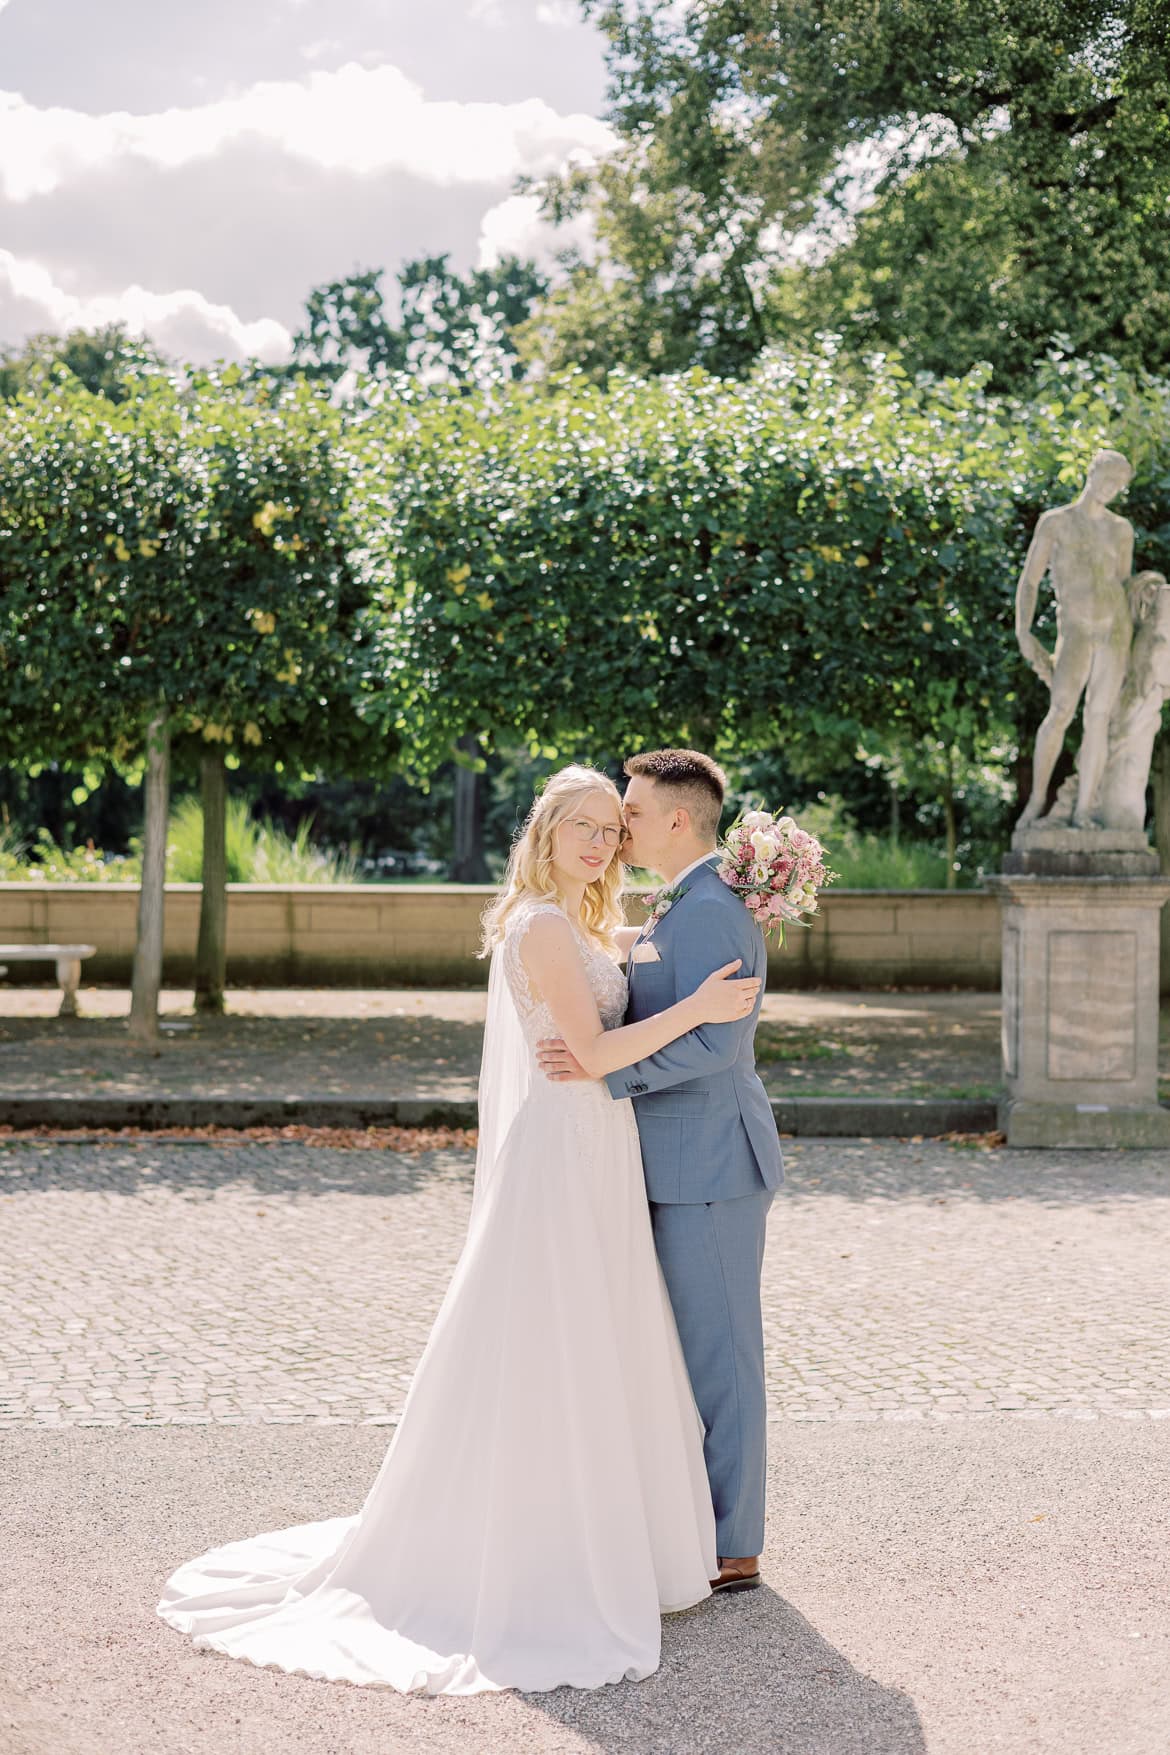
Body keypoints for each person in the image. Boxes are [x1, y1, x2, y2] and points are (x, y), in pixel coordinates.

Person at [157, 764, 761, 1696]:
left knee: (603, 1339)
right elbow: (595, 1054)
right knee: (546, 1338)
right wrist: (697, 1007)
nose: (605, 842)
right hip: (565, 1152)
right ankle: (540, 1545)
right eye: (588, 826)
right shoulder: (543, 926)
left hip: (600, 1149)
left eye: (616, 826)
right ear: (548, 828)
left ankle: (615, 1531)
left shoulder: (593, 925)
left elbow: (617, 1003)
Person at [538, 749, 783, 1595]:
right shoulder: (680, 905)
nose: (621, 827)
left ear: (678, 820)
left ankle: (735, 1544)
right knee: (676, 1355)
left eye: (632, 814)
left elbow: (719, 1041)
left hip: (712, 1163)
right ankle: (689, 1525)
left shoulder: (711, 907)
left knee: (722, 1357)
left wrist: (607, 1072)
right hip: (668, 1159)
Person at [1015, 449, 1135, 829]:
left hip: (1114, 630)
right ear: (1092, 470)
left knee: (1099, 718)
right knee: (1061, 710)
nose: (1112, 488)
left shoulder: (1121, 529)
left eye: (1120, 484)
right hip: (1076, 628)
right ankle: (1037, 800)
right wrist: (1024, 630)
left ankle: (1084, 810)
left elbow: (1124, 584)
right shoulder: (1057, 522)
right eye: (1108, 478)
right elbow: (1030, 580)